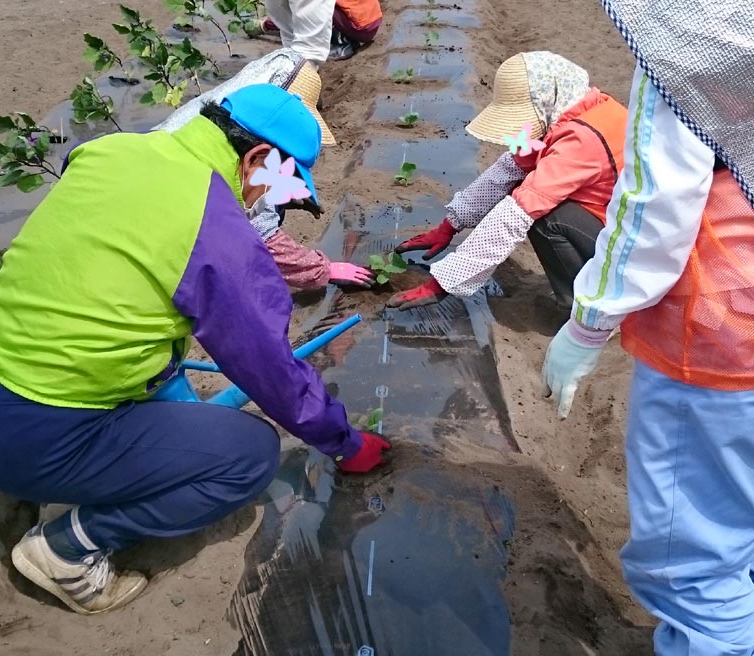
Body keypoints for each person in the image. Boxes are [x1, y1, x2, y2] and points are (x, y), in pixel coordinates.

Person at [0, 84, 391, 616]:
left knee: (161, 368)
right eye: (272, 185)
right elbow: (271, 370)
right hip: (28, 439)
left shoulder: (113, 150)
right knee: (248, 455)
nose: (262, 202)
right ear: (256, 159)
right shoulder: (217, 231)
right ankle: (67, 549)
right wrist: (343, 442)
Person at [542, 0, 754, 652]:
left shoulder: (691, 50)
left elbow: (653, 209)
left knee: (696, 561)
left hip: (723, 338)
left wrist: (587, 323)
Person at [386, 52, 628, 312]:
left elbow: (514, 215)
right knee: (523, 189)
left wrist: (443, 283)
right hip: (606, 222)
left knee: (546, 218)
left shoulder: (582, 140)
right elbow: (507, 171)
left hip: (630, 248)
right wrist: (450, 224)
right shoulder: (569, 114)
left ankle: (592, 308)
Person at [156, 48, 373, 289]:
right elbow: (261, 237)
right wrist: (324, 269)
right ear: (258, 155)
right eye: (283, 171)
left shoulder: (201, 126)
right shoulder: (214, 186)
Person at [248, 0, 383, 61]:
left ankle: (341, 43)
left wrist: (264, 25)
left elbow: (299, 13)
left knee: (307, 26)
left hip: (358, 24)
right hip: (371, 17)